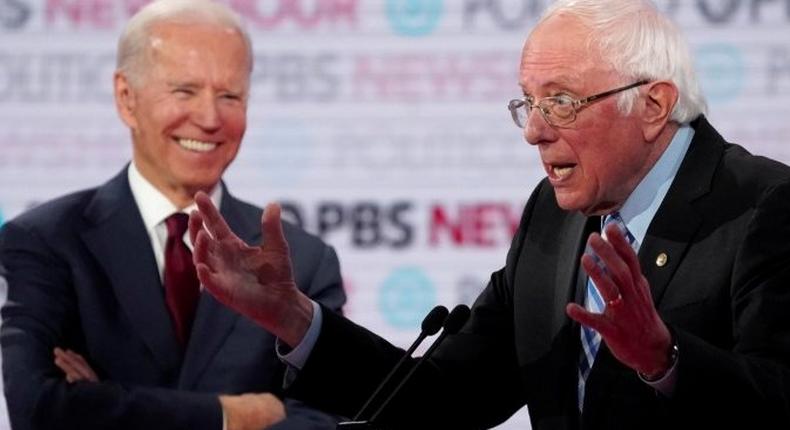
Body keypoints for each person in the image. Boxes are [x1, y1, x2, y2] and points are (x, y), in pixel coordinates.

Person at [187, 0, 790, 429]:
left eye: (559, 101)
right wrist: (294, 318)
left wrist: (666, 361)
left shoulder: (766, 207)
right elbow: (447, 398)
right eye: (527, 103)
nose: (533, 132)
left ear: (654, 105)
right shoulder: (553, 220)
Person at [0, 1, 346, 429]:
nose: (209, 118)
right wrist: (231, 415)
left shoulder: (304, 262)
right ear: (127, 99)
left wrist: (102, 403)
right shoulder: (47, 243)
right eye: (184, 91)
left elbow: (325, 421)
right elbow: (38, 409)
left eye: (230, 96)